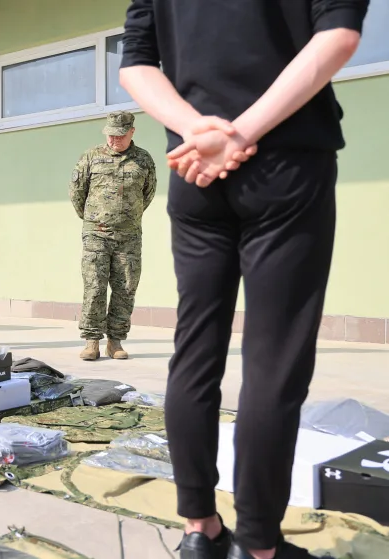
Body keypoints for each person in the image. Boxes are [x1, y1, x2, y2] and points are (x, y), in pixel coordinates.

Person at [119, 1, 367, 558]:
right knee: (273, 360)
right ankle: (259, 546)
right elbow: (339, 36)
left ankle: (199, 530)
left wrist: (195, 130)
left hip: (194, 168)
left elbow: (135, 62)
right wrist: (240, 134)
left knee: (196, 346)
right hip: (284, 165)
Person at [69, 111, 156, 361]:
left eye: (119, 135)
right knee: (94, 286)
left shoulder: (143, 160)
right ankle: (92, 341)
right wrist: (93, 220)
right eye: (110, 135)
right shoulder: (91, 157)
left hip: (129, 236)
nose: (114, 140)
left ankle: (115, 341)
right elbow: (77, 193)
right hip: (96, 235)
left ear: (131, 132)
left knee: (126, 287)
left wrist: (127, 218)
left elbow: (147, 194)